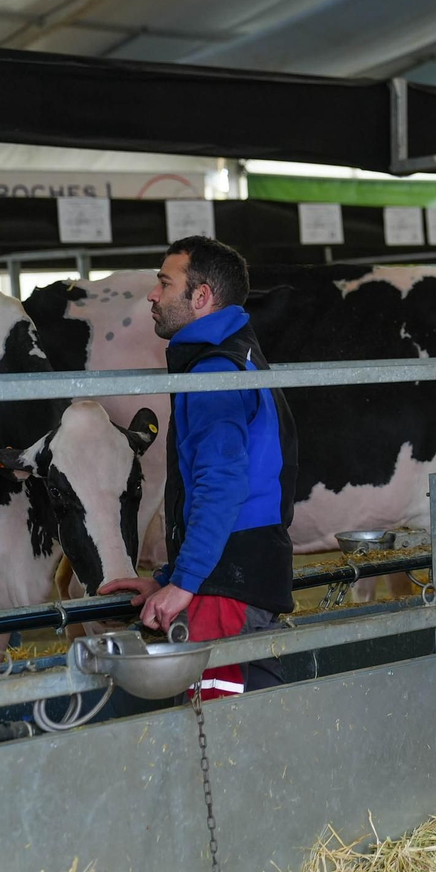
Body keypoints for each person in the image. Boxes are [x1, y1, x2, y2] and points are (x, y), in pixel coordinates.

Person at [101, 236, 298, 701]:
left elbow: (222, 486)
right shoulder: (236, 359)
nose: (153, 295)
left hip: (224, 592)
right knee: (251, 716)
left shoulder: (214, 376)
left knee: (218, 734)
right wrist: (168, 579)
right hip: (238, 576)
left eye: (165, 284)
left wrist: (187, 584)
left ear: (202, 296)